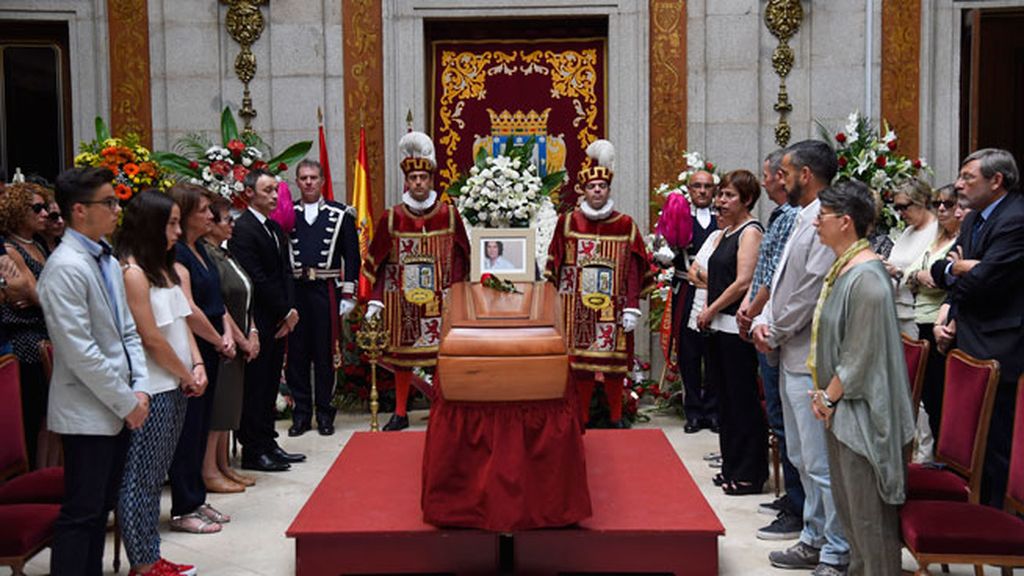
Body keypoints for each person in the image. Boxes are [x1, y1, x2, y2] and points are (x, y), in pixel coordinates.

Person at [38, 167, 151, 576]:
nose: (117, 209)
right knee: (82, 513)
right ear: (79, 211)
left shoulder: (103, 254)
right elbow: (80, 351)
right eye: (109, 202)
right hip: (88, 411)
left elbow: (127, 330)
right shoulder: (65, 267)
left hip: (120, 404)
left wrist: (141, 387)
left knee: (101, 507)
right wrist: (126, 401)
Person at [752, 140, 848, 576]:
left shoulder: (824, 220)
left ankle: (836, 549)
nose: (779, 179)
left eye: (786, 172)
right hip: (788, 349)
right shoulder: (801, 216)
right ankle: (813, 536)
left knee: (820, 461)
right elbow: (782, 279)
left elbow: (809, 289)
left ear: (806, 174)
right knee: (801, 456)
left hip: (809, 354)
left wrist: (774, 328)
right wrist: (765, 319)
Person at [809, 180, 916, 576]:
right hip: (844, 410)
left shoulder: (868, 278)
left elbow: (859, 356)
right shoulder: (845, 269)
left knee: (871, 523)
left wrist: (828, 397)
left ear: (846, 222)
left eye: (823, 216)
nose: (816, 223)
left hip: (866, 416)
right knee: (853, 518)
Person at [115, 190, 205, 576]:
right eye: (169, 223)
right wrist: (186, 374)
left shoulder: (165, 269)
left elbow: (181, 322)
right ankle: (144, 561)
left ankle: (151, 554)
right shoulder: (132, 273)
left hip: (177, 383)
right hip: (154, 387)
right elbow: (150, 338)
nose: (176, 230)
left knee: (156, 473)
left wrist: (198, 362)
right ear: (150, 225)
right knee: (143, 478)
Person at [930, 148, 1024, 508]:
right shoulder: (971, 221)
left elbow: (987, 280)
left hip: (1001, 347)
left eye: (968, 177)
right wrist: (959, 275)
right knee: (974, 442)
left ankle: (1002, 522)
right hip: (967, 339)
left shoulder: (1015, 219)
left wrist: (963, 273)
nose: (958, 184)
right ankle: (978, 508)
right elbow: (940, 270)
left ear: (996, 180)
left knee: (999, 442)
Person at [362, 131, 470, 431]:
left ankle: (442, 410)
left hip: (442, 302)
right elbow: (376, 261)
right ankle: (399, 412)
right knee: (402, 358)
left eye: (424, 177)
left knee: (441, 358)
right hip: (402, 301)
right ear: (406, 182)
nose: (419, 183)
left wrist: (457, 292)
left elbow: (464, 255)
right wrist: (376, 297)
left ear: (432, 179)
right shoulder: (392, 217)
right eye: (414, 178)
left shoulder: (448, 215)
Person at [544, 139, 654, 429]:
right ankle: (581, 417)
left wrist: (632, 306)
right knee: (579, 367)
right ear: (583, 190)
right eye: (592, 187)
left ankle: (616, 416)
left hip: (613, 309)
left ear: (608, 189)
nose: (597, 191)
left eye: (602, 187)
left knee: (614, 365)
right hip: (574, 309)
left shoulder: (625, 225)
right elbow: (554, 264)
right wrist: (552, 306)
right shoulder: (567, 223)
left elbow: (634, 268)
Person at [736, 150, 803, 540]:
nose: (765, 182)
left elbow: (778, 275)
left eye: (770, 175)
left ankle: (798, 505)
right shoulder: (782, 215)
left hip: (777, 326)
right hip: (765, 321)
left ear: (785, 176)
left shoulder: (794, 217)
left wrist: (754, 309)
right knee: (780, 419)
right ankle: (792, 498)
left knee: (787, 423)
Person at [166, 184, 239, 530]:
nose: (211, 215)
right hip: (193, 348)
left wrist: (227, 333)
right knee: (188, 429)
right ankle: (183, 507)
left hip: (211, 347)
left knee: (202, 425)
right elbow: (189, 308)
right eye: (204, 210)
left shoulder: (201, 250)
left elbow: (216, 299)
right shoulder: (178, 254)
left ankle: (196, 498)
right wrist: (217, 339)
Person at [229, 169, 305, 470]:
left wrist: (290, 310)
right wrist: (283, 310)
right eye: (267, 190)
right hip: (259, 317)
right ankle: (253, 449)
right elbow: (255, 278)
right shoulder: (243, 229)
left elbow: (286, 272)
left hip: (279, 318)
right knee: (255, 385)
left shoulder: (274, 229)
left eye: (276, 190)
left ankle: (268, 441)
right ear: (249, 193)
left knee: (270, 382)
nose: (275, 196)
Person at [696, 169, 766, 495]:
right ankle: (731, 466)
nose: (721, 201)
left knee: (742, 402)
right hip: (717, 330)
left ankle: (750, 473)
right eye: (720, 194)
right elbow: (706, 274)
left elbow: (742, 282)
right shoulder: (725, 232)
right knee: (724, 401)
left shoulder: (750, 232)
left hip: (734, 329)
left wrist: (710, 309)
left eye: (728, 196)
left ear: (747, 199)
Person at [286, 159, 360, 437]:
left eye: (313, 177)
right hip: (296, 290)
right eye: (303, 178)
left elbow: (352, 256)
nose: (308, 182)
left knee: (326, 354)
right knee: (296, 355)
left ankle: (325, 414)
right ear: (297, 181)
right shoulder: (286, 213)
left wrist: (348, 293)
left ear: (322, 181)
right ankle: (301, 415)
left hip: (326, 290)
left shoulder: (341, 214)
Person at [203, 196, 259, 488]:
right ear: (210, 224)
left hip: (239, 339)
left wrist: (253, 333)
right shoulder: (208, 256)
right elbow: (219, 303)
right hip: (223, 341)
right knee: (219, 408)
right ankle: (209, 470)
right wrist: (240, 337)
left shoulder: (225, 254)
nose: (232, 224)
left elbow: (245, 294)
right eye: (227, 219)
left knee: (230, 407)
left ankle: (224, 465)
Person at [0, 182, 54, 468]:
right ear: (17, 211)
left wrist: (36, 297)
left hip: (47, 332)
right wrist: (38, 297)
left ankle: (46, 473)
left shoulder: (41, 245)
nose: (45, 213)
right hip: (26, 340)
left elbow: (36, 294)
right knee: (32, 415)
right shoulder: (10, 247)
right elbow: (33, 292)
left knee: (49, 416)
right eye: (37, 208)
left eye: (45, 207)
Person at [905, 184, 961, 446]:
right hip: (922, 320)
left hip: (943, 323)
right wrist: (920, 275)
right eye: (938, 203)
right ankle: (938, 453)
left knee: (943, 396)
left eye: (948, 204)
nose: (941, 208)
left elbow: (946, 281)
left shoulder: (961, 240)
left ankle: (945, 455)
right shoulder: (935, 239)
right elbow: (911, 274)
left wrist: (933, 275)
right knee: (928, 393)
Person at [677, 168, 719, 433]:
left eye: (707, 187)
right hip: (687, 289)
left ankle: (714, 411)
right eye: (697, 186)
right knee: (688, 353)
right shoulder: (678, 218)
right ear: (689, 190)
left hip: (718, 291)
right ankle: (692, 411)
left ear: (714, 191)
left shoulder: (723, 220)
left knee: (715, 352)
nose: (702, 191)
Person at [883, 178, 938, 338]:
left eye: (904, 207)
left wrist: (898, 271)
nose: (900, 213)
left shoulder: (936, 231)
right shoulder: (907, 231)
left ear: (921, 201)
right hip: (896, 310)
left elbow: (930, 273)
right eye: (897, 207)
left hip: (918, 314)